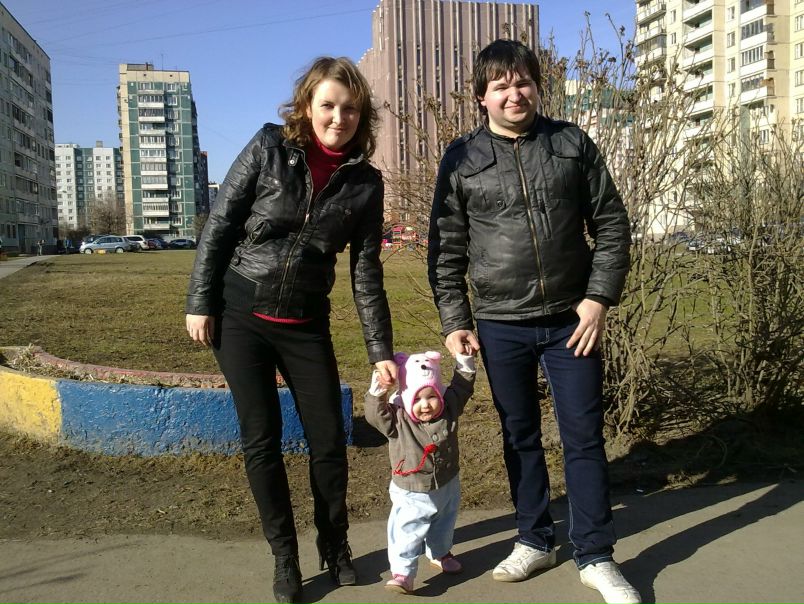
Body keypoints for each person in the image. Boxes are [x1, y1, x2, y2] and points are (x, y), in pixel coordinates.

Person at [427, 40, 639, 604]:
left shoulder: (570, 143)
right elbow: (446, 250)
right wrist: (455, 320)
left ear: (537, 87)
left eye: (522, 82)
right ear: (481, 97)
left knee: (583, 437)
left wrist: (598, 298)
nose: (513, 94)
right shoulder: (462, 158)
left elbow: (612, 225)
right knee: (518, 435)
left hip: (573, 321)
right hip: (501, 323)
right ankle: (534, 539)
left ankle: (596, 555)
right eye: (500, 86)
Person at [185, 56, 397, 604]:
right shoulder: (268, 147)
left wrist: (380, 350)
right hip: (241, 317)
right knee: (262, 441)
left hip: (306, 323)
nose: (338, 118)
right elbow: (220, 224)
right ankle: (285, 556)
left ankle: (335, 543)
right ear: (306, 105)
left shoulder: (365, 183)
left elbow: (366, 272)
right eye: (328, 105)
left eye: (350, 109)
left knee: (329, 441)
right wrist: (200, 301)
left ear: (362, 116)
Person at [364, 350, 475, 595]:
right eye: (417, 399)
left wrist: (465, 361)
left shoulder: (449, 408)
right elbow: (374, 415)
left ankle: (440, 553)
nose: (425, 405)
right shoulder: (398, 420)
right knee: (407, 529)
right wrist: (378, 390)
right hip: (411, 489)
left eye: (431, 396)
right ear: (405, 397)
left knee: (444, 523)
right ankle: (403, 572)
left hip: (447, 483)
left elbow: (462, 388)